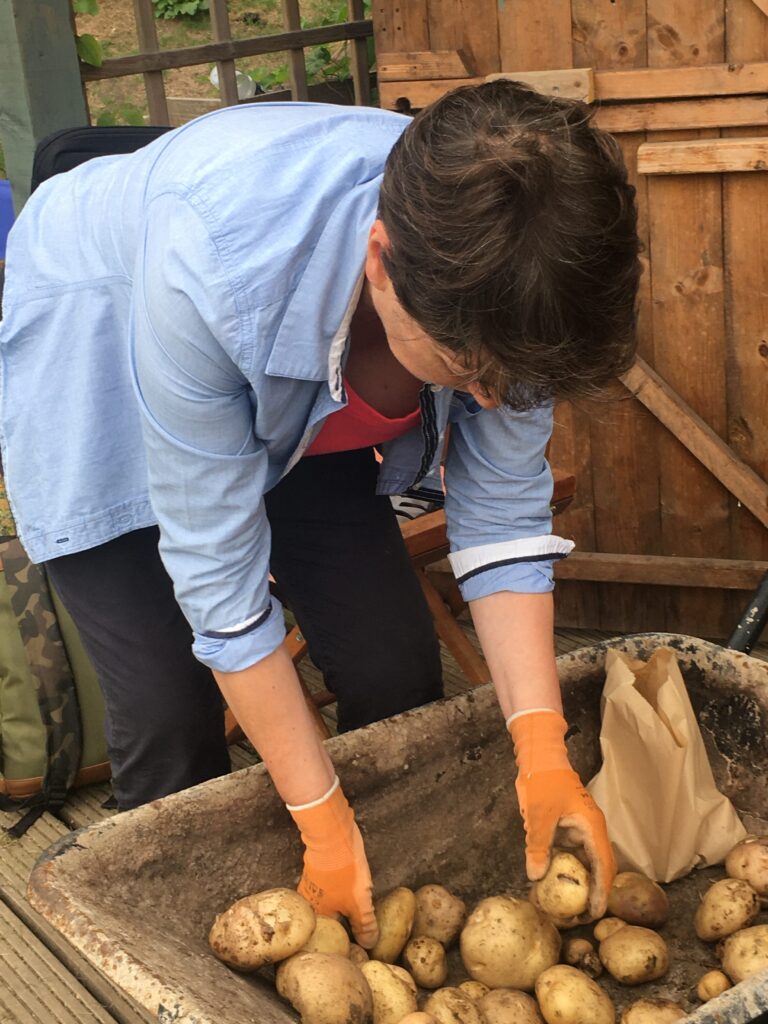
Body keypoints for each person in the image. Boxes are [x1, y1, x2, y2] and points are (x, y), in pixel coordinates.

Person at [0, 81, 641, 946]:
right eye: (466, 368)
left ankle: (385, 889)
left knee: (393, 663)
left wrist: (542, 751)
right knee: (166, 713)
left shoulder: (515, 277)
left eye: (513, 381)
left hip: (296, 366)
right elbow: (221, 590)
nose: (492, 397)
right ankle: (184, 952)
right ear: (381, 261)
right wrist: (320, 813)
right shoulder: (218, 264)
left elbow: (499, 513)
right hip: (98, 336)